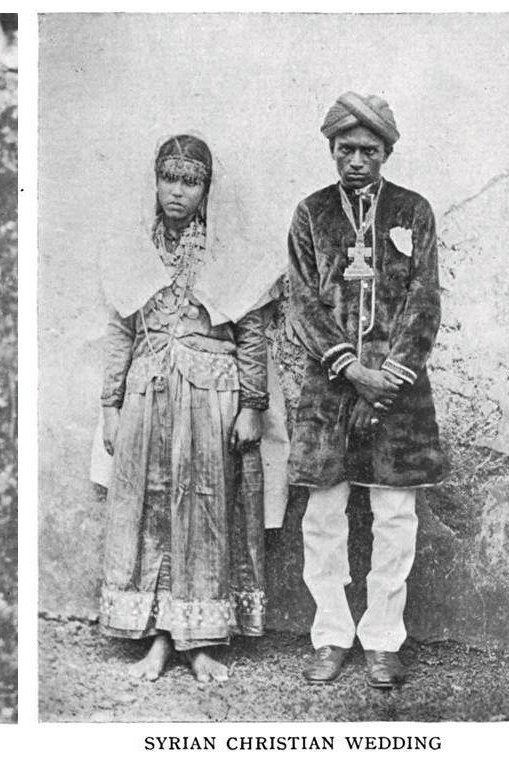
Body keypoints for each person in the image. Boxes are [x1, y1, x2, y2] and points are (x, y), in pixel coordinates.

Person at [97, 134, 286, 683]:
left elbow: (252, 333)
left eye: (191, 181)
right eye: (169, 179)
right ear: (155, 183)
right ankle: (157, 639)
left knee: (206, 513)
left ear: (207, 190)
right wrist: (110, 404)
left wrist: (252, 405)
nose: (177, 192)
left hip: (210, 396)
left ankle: (201, 642)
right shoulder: (133, 250)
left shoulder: (232, 256)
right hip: (148, 393)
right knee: (153, 508)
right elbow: (118, 330)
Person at [287, 92, 447, 688]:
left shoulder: (413, 210)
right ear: (331, 149)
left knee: (394, 515)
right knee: (323, 516)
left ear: (385, 152)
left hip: (398, 391)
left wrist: (390, 373)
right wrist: (352, 369)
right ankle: (330, 634)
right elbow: (302, 301)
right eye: (346, 149)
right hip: (331, 387)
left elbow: (425, 298)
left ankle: (383, 639)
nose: (356, 160)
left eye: (369, 150)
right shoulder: (310, 214)